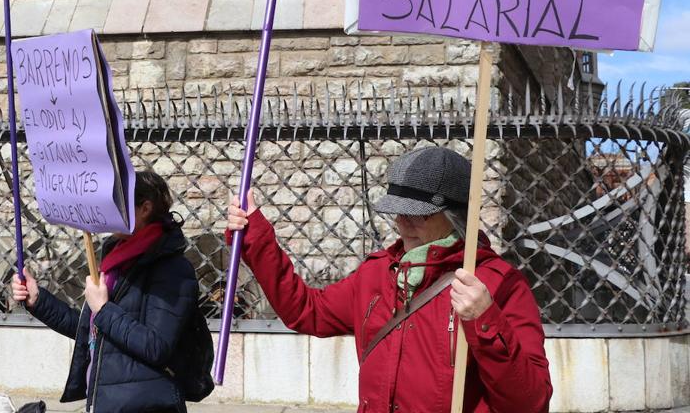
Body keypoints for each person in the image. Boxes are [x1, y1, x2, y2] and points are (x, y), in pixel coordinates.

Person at [226, 147, 553, 413]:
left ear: (454, 216)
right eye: (397, 210)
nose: (402, 222)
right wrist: (255, 235)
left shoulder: (497, 286)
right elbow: (305, 310)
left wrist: (485, 322)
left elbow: (530, 402)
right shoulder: (377, 273)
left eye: (417, 212)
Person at [12, 171, 200, 413]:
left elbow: (156, 346)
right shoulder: (116, 262)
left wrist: (103, 308)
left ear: (145, 208)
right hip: (108, 402)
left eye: (117, 205)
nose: (107, 213)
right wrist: (38, 301)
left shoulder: (171, 268)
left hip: (146, 405)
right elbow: (94, 331)